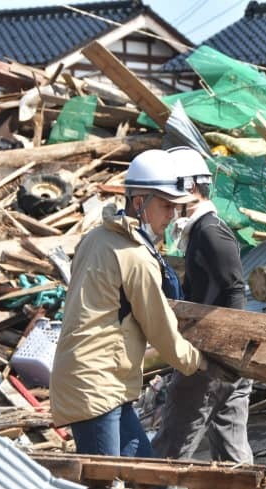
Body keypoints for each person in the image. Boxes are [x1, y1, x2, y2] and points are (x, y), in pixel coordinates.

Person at [50, 149, 205, 457]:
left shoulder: (96, 239)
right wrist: (197, 362)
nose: (171, 215)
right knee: (107, 486)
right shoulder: (134, 255)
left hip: (100, 381)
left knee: (146, 477)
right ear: (139, 203)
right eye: (165, 206)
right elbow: (158, 324)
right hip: (97, 384)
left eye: (175, 207)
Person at [151, 147, 254, 464]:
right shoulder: (200, 231)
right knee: (229, 442)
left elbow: (234, 288)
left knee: (174, 439)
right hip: (221, 357)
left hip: (212, 356)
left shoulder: (211, 232)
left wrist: (221, 355)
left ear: (191, 187)